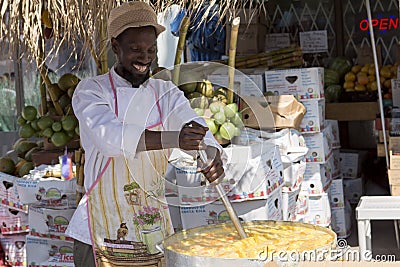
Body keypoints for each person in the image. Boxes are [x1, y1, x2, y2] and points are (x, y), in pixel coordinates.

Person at [65, 2, 225, 267]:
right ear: (116, 47)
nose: (145, 58)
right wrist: (175, 139)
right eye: (135, 49)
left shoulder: (165, 92)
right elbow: (111, 139)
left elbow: (194, 124)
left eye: (150, 50)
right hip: (99, 232)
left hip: (152, 230)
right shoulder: (91, 91)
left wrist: (210, 152)